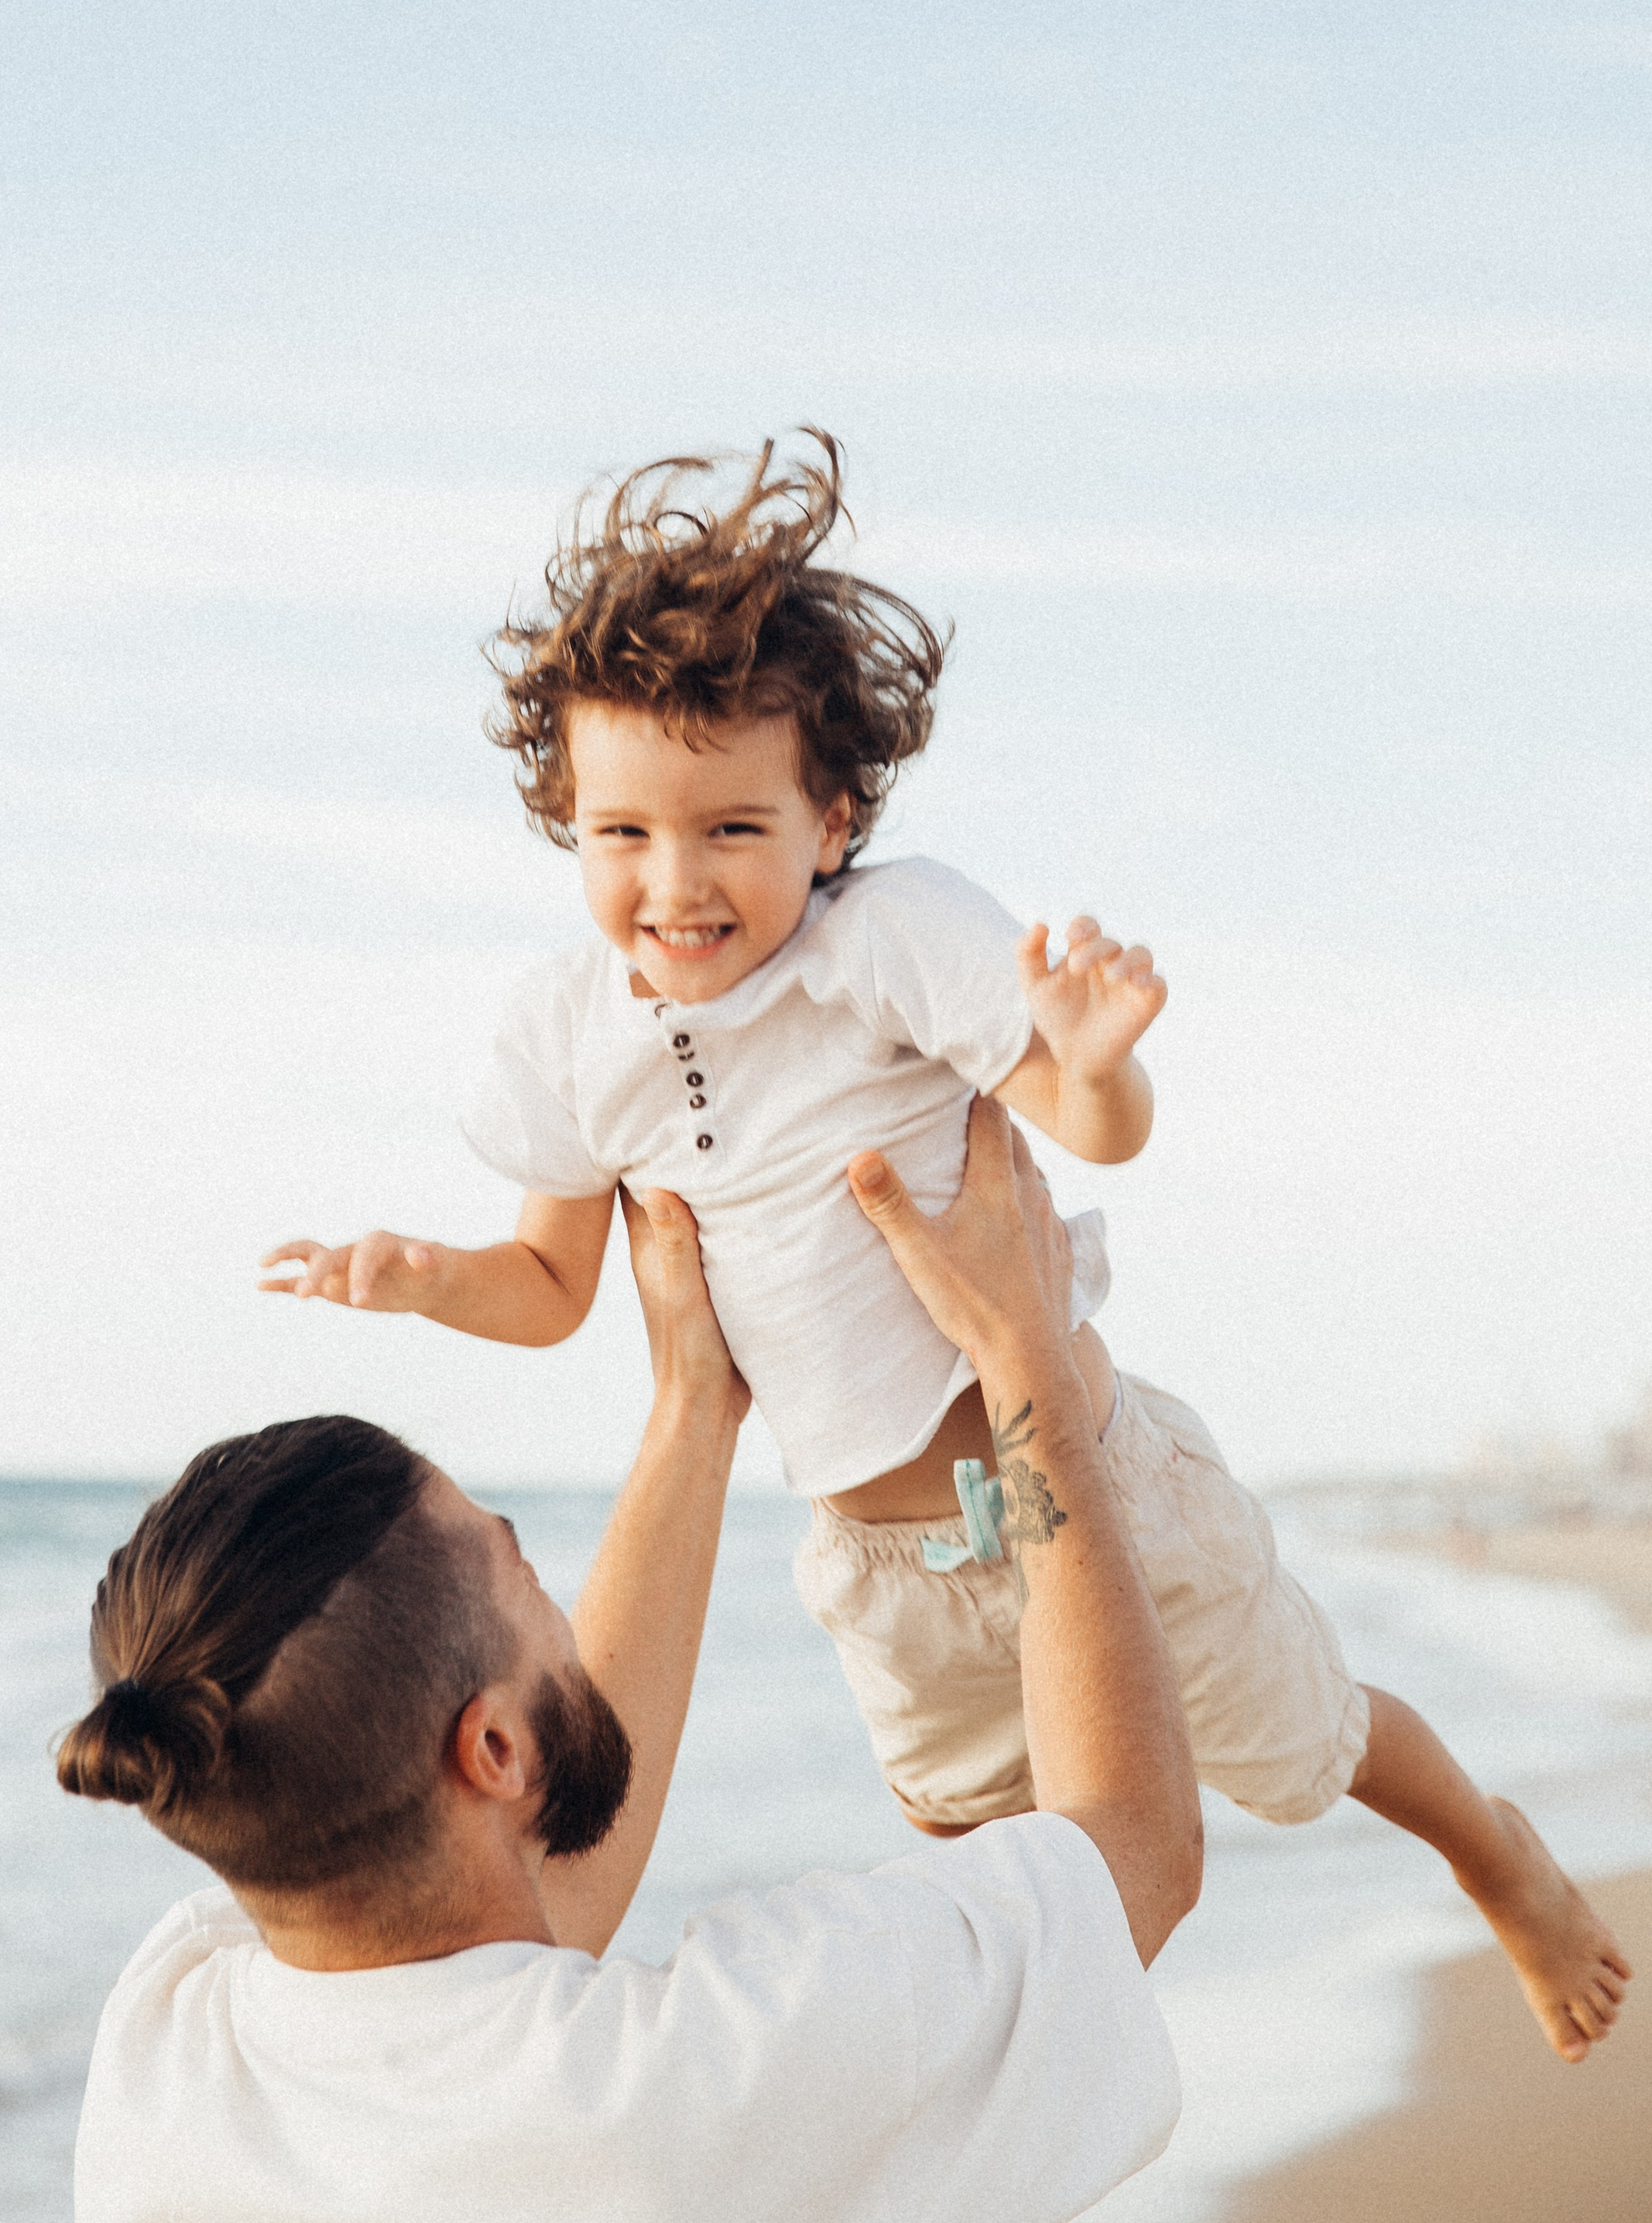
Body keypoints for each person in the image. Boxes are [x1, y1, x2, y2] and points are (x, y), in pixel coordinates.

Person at [262, 432, 1631, 2063]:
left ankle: (1491, 1850)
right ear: (568, 820)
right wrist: (422, 1283)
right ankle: (1021, 2090)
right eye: (620, 834)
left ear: (828, 817)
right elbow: (553, 1290)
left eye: (728, 830)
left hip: (1085, 1480)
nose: (673, 882)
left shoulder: (886, 942)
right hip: (874, 1563)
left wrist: (1097, 1055)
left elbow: (1082, 1121)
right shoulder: (567, 1034)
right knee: (964, 1848)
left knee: (1299, 1742)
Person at [63, 1101, 1201, 2223]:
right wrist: (1025, 1355)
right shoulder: (700, 2084)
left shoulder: (164, 2056)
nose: (555, 1604)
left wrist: (693, 1409)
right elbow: (1134, 1855)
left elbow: (508, 1927)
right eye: (519, 1569)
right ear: (495, 1749)